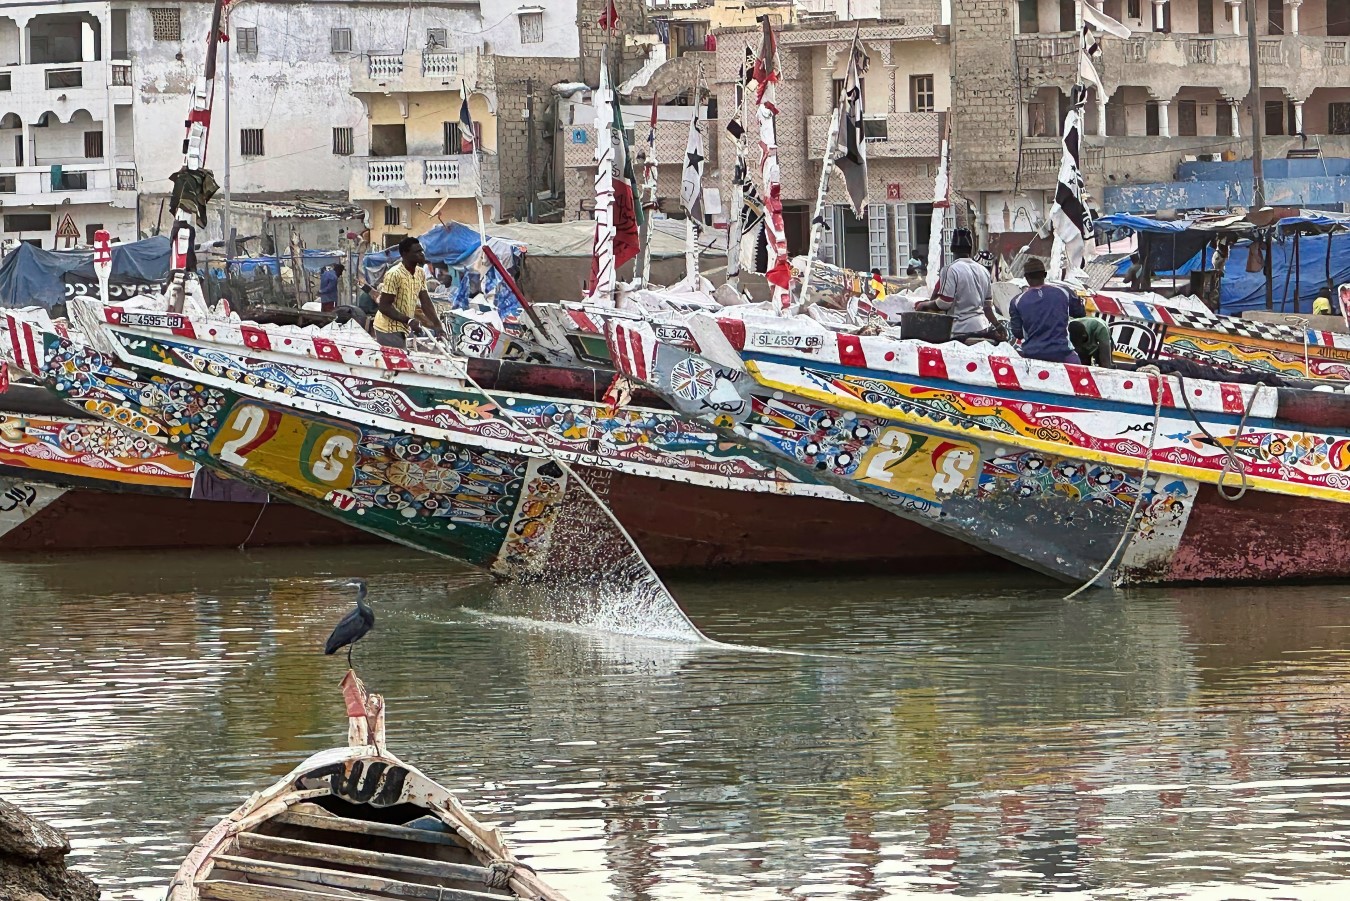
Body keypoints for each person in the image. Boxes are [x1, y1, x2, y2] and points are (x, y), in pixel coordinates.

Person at [916, 228, 1002, 341]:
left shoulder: (950, 269)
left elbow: (944, 303)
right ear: (971, 250)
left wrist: (925, 305)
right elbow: (987, 307)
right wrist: (998, 325)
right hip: (982, 328)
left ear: (952, 248)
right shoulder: (983, 271)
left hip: (960, 330)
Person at [1008, 257, 1086, 364]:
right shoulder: (1064, 292)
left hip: (1032, 354)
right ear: (1045, 275)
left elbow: (1018, 333)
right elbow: (1080, 313)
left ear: (1026, 278)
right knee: (1078, 372)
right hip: (1062, 352)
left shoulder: (1017, 301)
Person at [374, 237, 447, 349]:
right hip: (388, 329)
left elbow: (426, 302)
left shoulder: (420, 272)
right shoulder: (394, 274)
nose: (422, 254)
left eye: (421, 251)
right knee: (399, 363)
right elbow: (384, 307)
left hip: (405, 327)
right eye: (417, 252)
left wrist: (437, 325)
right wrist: (409, 320)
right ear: (405, 254)